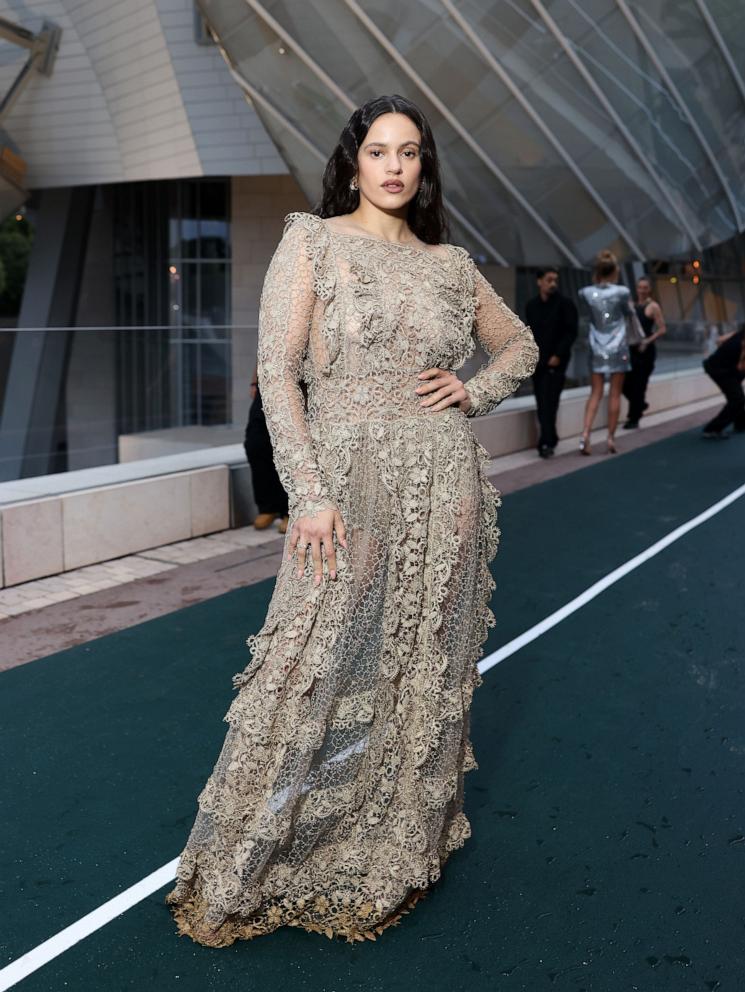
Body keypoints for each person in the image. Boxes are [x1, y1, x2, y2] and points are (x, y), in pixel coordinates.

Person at [165, 94, 538, 947]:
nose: (396, 166)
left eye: (410, 152)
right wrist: (311, 494)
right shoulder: (313, 241)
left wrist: (471, 390)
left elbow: (516, 344)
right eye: (380, 151)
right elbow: (278, 372)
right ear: (353, 161)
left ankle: (396, 845)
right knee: (315, 653)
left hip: (443, 480)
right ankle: (256, 856)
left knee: (422, 658)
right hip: (344, 481)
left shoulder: (450, 263)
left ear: (424, 166)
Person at [577, 249, 642, 455]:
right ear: (614, 270)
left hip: (596, 347)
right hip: (618, 348)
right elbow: (630, 314)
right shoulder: (622, 292)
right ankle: (610, 438)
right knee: (615, 394)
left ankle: (585, 434)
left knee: (595, 393)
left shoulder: (586, 293)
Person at [525, 266, 578, 457]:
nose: (553, 283)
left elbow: (571, 332)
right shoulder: (531, 305)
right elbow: (529, 335)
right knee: (542, 401)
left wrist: (558, 354)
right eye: (549, 279)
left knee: (550, 402)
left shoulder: (565, 304)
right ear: (539, 281)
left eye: (555, 279)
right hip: (538, 363)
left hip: (557, 362)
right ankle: (550, 438)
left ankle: (546, 443)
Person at [243, 367, 289, 534]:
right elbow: (262, 343)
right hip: (268, 381)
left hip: (295, 381)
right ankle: (268, 507)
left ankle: (290, 510)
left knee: (288, 445)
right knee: (255, 444)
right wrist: (255, 381)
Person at [622, 275, 666, 429]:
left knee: (639, 386)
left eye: (645, 288)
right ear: (636, 288)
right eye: (640, 287)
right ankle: (640, 405)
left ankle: (633, 419)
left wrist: (647, 341)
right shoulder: (632, 305)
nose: (642, 291)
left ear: (650, 289)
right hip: (631, 349)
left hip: (646, 351)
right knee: (625, 384)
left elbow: (662, 329)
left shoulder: (653, 306)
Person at [701, 323, 745, 438]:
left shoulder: (739, 334)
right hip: (720, 370)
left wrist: (726, 353)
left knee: (737, 395)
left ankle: (740, 424)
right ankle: (712, 429)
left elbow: (719, 340)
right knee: (737, 399)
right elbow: (741, 367)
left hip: (722, 366)